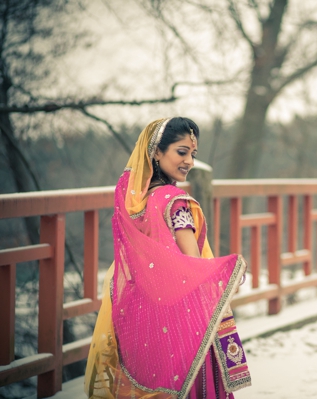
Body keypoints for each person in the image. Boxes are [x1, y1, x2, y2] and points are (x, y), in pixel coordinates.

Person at [85, 117, 251, 399]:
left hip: (144, 319)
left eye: (193, 154)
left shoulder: (134, 205)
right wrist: (231, 274)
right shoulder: (176, 202)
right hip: (182, 321)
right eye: (181, 152)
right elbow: (193, 265)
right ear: (157, 152)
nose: (189, 162)